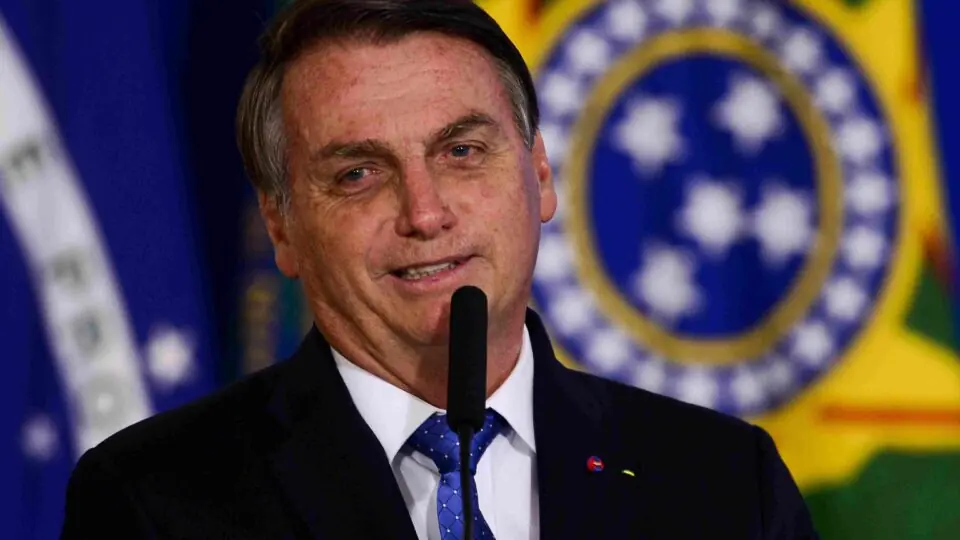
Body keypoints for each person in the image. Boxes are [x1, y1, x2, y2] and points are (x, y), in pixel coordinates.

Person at [60, 0, 819, 538]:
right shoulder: (154, 501)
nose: (424, 213)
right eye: (358, 174)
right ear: (281, 225)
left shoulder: (724, 482)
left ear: (540, 174)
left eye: (461, 151)